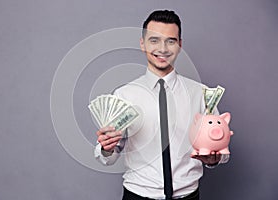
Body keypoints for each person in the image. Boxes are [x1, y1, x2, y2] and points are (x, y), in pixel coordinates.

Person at [94, 10, 229, 200]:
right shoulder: (124, 95)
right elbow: (107, 156)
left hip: (188, 196)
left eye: (171, 41)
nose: (163, 48)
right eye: (154, 40)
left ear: (180, 44)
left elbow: (220, 145)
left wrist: (214, 158)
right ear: (142, 44)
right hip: (138, 195)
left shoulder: (200, 94)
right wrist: (107, 148)